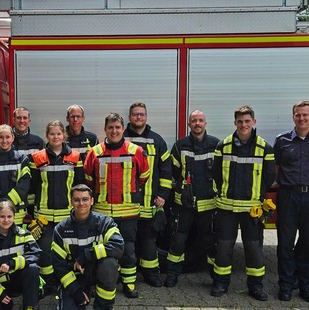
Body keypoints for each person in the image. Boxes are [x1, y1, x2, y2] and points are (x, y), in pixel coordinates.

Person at [211, 105, 275, 301]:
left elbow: (269, 176)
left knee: (254, 248)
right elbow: (215, 174)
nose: (244, 125)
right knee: (223, 247)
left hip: (252, 209)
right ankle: (221, 283)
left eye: (247, 121)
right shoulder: (223, 145)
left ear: (254, 122)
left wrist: (257, 196)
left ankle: (255, 286)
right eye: (240, 121)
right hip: (227, 207)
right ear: (235, 123)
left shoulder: (265, 148)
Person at [83, 112, 150, 298]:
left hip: (128, 212)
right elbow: (89, 179)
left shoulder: (135, 151)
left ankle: (129, 284)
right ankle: (102, 283)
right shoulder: (94, 152)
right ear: (105, 129)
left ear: (123, 129)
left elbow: (144, 176)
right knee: (101, 251)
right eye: (110, 127)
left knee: (128, 250)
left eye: (117, 127)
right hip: (103, 213)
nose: (114, 131)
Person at [273, 101, 309, 303]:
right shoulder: (282, 141)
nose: (302, 118)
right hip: (288, 196)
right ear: (293, 117)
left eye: (305, 115)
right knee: (285, 243)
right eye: (298, 115)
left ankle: (307, 286)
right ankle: (286, 285)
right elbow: (277, 170)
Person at [52, 184, 124, 310]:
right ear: (71, 201)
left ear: (92, 201)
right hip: (75, 275)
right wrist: (76, 291)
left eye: (85, 199)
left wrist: (86, 255)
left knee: (109, 264)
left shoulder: (105, 223)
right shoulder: (61, 229)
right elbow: (58, 265)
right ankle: (82, 293)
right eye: (77, 200)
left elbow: (118, 245)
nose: (81, 203)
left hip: (97, 270)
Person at [165, 109, 220, 287]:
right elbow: (173, 170)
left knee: (211, 242)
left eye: (200, 120)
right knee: (178, 241)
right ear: (189, 124)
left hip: (208, 204)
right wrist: (182, 187)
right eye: (194, 120)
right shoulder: (179, 146)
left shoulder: (215, 145)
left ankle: (216, 278)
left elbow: (221, 172)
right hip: (185, 204)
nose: (197, 123)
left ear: (205, 123)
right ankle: (172, 274)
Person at [29, 120, 84, 293]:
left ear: (64, 135)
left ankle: (69, 281)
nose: (55, 137)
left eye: (58, 134)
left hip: (67, 215)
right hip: (44, 216)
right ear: (47, 136)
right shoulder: (38, 158)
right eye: (52, 134)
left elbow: (80, 185)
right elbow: (33, 187)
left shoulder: (74, 157)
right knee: (45, 251)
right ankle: (49, 283)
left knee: (69, 250)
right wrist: (31, 213)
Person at [124, 102, 172, 288]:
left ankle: (151, 274)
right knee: (127, 242)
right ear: (129, 117)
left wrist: (163, 195)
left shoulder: (157, 141)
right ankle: (126, 274)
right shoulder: (121, 137)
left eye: (142, 114)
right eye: (135, 114)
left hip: (150, 202)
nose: (138, 117)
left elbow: (166, 170)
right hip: (127, 203)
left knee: (149, 241)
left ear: (146, 117)